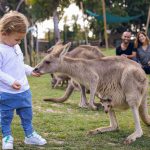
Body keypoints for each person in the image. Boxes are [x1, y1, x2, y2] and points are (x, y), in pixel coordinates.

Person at [0, 11, 47, 149]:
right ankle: (7, 136)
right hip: (6, 92)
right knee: (5, 116)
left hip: (24, 90)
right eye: (17, 39)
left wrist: (30, 71)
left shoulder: (15, 46)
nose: (19, 42)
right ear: (4, 33)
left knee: (27, 114)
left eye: (20, 40)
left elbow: (19, 64)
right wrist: (10, 81)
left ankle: (30, 135)